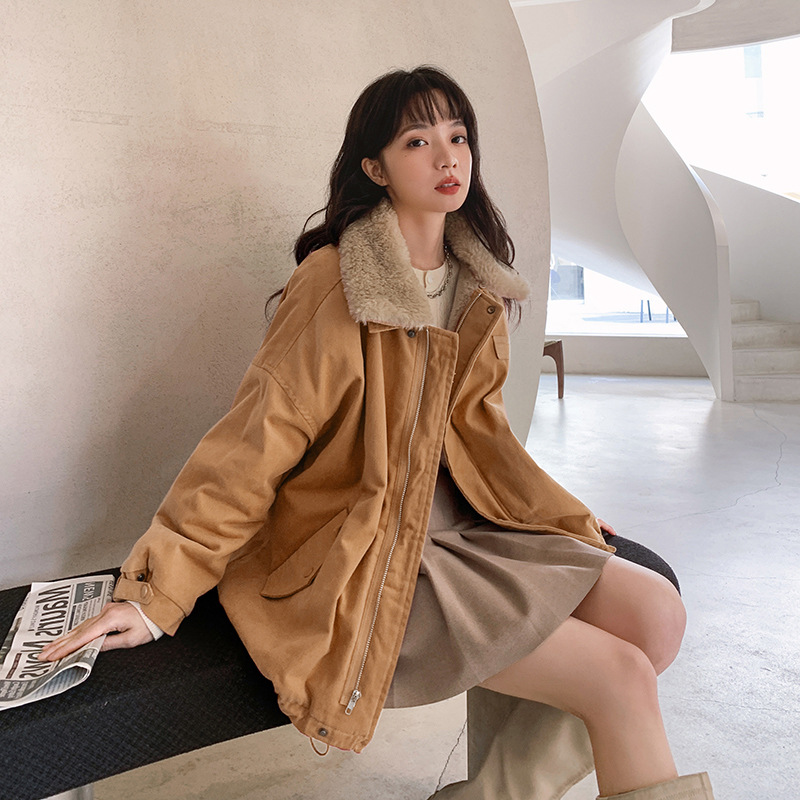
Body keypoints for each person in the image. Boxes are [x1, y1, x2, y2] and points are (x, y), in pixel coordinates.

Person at [40, 66, 714, 800]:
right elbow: (252, 445)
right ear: (375, 168)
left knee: (657, 617)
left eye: (458, 137)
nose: (448, 157)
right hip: (360, 548)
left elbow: (483, 438)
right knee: (620, 677)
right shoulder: (336, 284)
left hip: (456, 527)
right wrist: (154, 593)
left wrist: (555, 513)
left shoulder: (477, 287)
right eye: (418, 141)